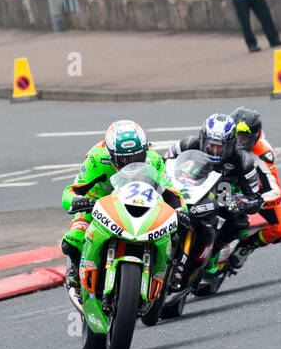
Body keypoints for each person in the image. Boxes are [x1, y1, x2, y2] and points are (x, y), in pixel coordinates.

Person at [60, 120, 187, 294]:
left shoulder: (154, 160)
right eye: (124, 159)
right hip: (97, 204)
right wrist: (75, 201)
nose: (130, 163)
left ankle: (170, 272)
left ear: (144, 151)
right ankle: (76, 271)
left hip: (140, 204)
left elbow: (172, 193)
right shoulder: (97, 158)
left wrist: (180, 210)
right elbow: (71, 190)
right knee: (72, 241)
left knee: (175, 231)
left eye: (136, 157)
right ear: (112, 155)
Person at [161, 113, 276, 291]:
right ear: (202, 139)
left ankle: (214, 252)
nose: (213, 151)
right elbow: (162, 165)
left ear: (230, 145)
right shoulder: (185, 145)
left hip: (224, 191)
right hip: (188, 184)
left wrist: (242, 202)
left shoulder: (243, 160)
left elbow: (254, 196)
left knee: (239, 223)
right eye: (210, 145)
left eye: (219, 147)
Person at [224, 106, 281, 269]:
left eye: (244, 139)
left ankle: (245, 247)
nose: (239, 143)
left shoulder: (263, 154)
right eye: (236, 137)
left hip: (252, 191)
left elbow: (276, 192)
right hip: (225, 184)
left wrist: (254, 202)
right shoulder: (221, 140)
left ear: (254, 138)